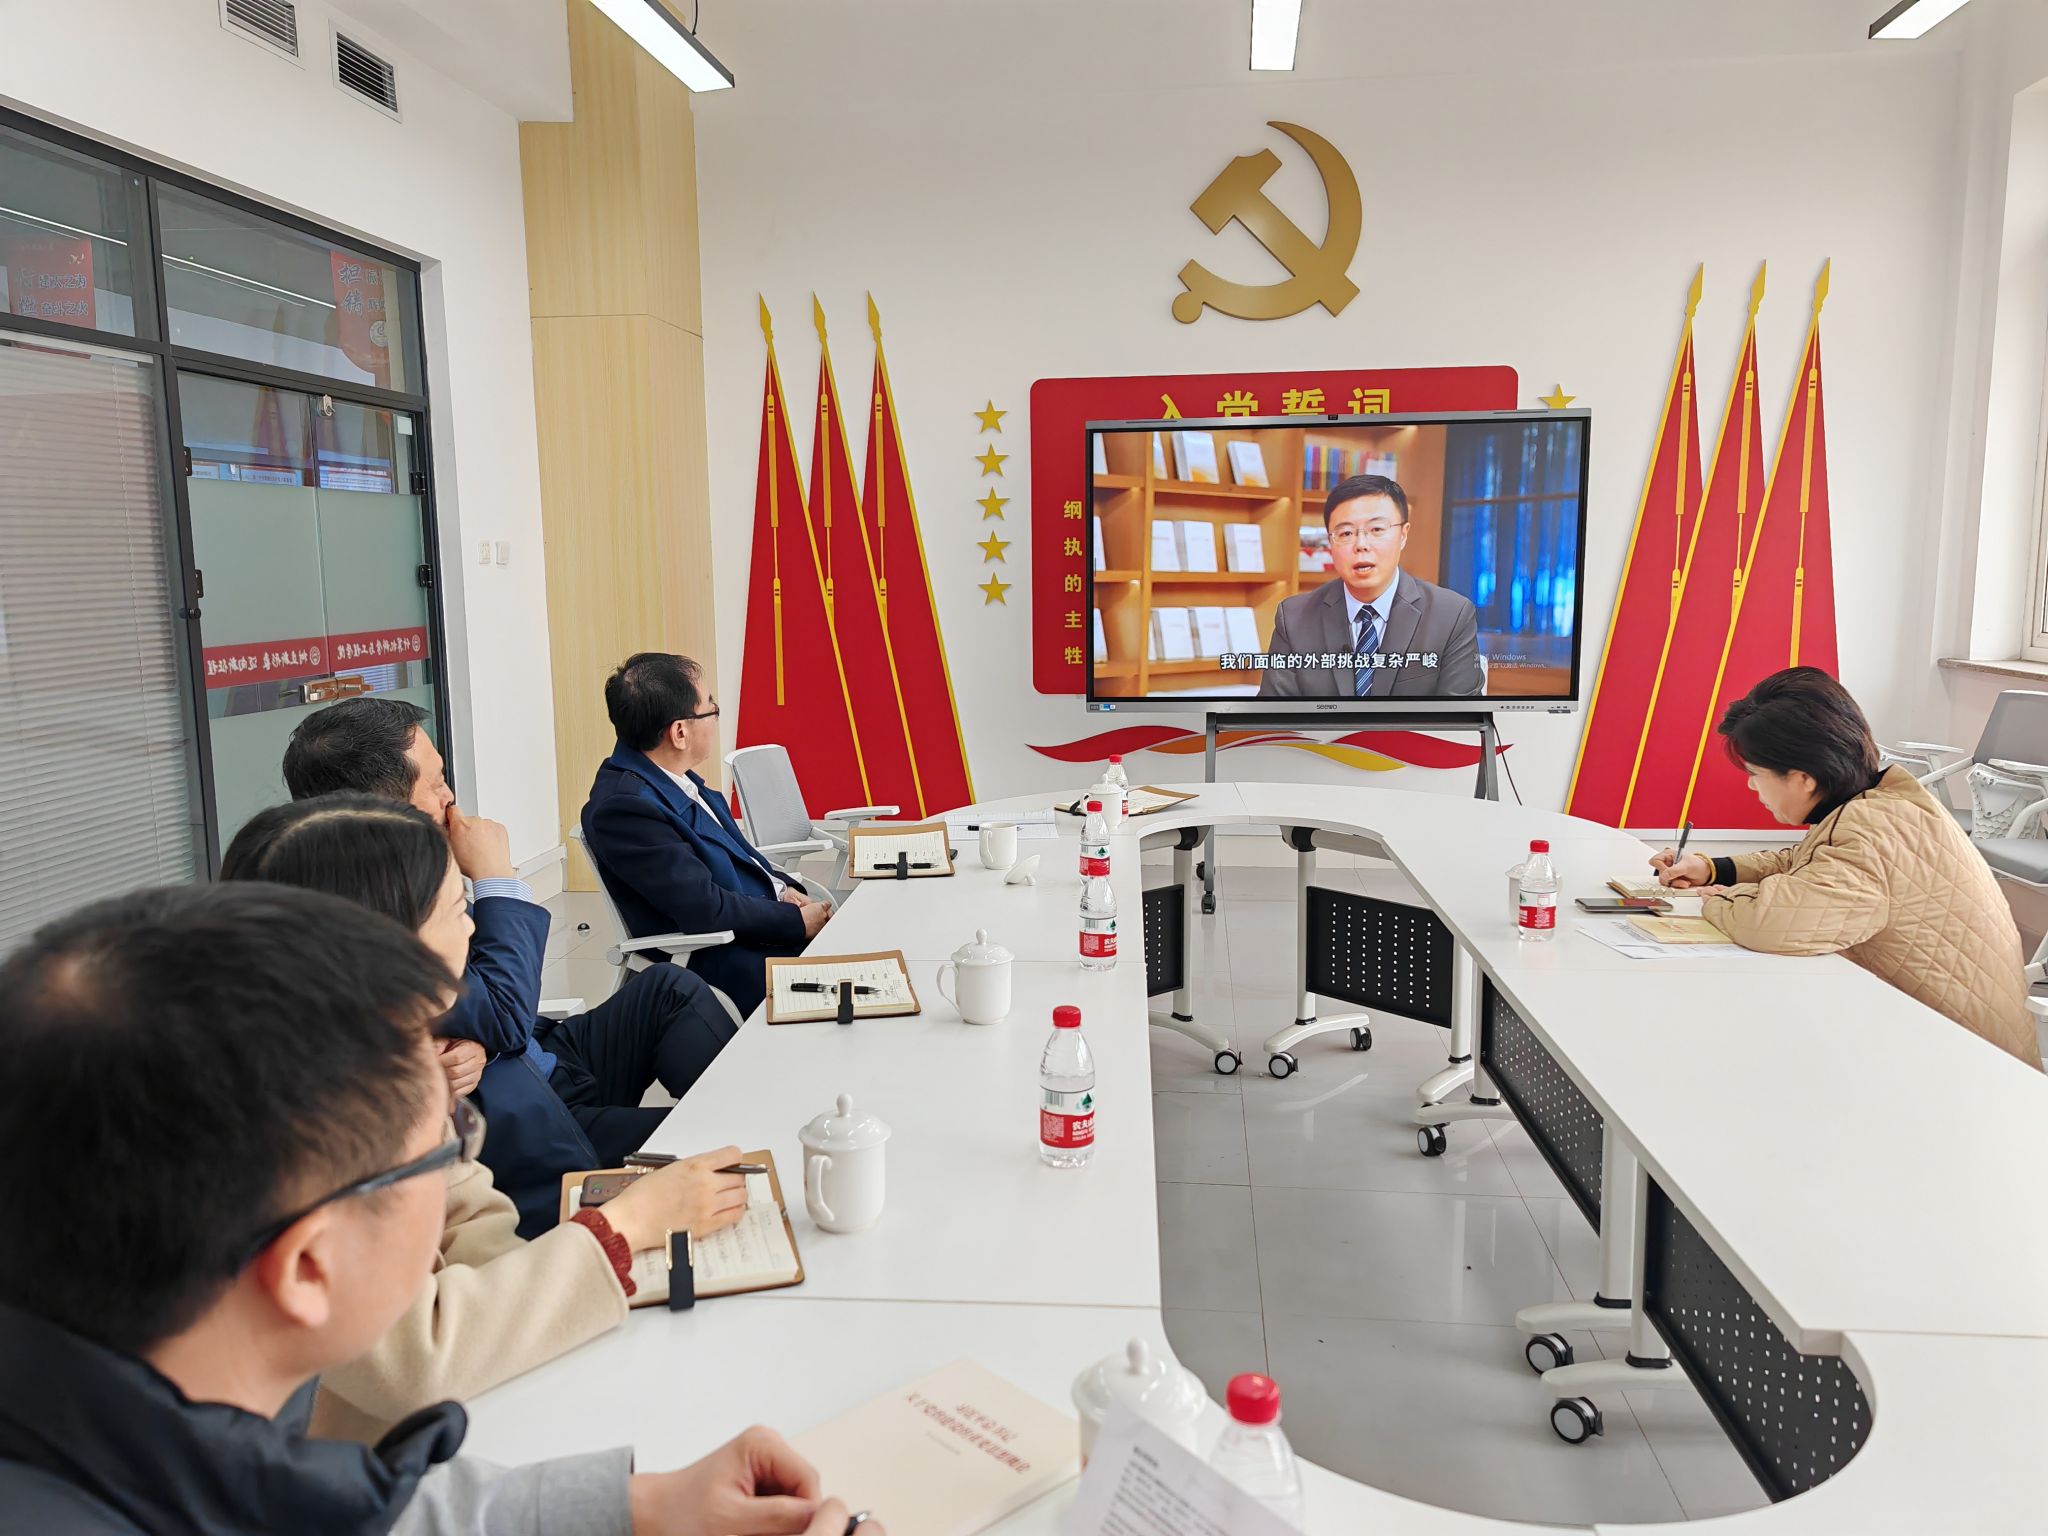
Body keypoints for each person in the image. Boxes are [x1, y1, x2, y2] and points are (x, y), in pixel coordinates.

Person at [0, 882, 879, 1536]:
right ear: (310, 1267)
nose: (466, 1161)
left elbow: (351, 1509)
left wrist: (640, 1506)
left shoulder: (142, 1412)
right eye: (454, 1139)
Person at [221, 792, 753, 1442]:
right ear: (386, 949)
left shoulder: (399, 1061)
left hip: (478, 1403)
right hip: (403, 1463)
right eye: (458, 910)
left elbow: (477, 1223)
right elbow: (413, 1362)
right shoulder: (293, 1136)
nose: (474, 931)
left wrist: (561, 1277)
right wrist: (625, 1225)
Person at [283, 698, 737, 1235]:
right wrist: (496, 880)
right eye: (436, 782)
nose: (450, 796)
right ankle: (745, 1129)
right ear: (385, 806)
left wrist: (482, 1042)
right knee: (707, 1145)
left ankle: (752, 1099)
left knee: (668, 987)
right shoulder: (367, 920)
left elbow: (487, 1014)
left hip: (537, 1060)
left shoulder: (397, 873)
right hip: (530, 1119)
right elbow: (500, 1015)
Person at [1652, 667, 2042, 1068]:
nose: (1752, 786)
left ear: (1803, 778)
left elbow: (1773, 922)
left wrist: (1717, 897)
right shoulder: (1879, 804)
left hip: (1971, 1066)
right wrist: (1713, 868)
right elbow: (1806, 863)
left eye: (1755, 775)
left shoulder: (1873, 827)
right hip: (1938, 1039)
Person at [581, 653, 832, 1017]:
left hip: (757, 928)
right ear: (680, 732)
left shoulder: (673, 777)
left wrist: (784, 891)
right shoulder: (626, 807)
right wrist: (793, 922)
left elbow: (740, 858)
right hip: (728, 956)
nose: (716, 715)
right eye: (710, 708)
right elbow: (706, 909)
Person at [1256, 473, 1484, 699]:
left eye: (1376, 530)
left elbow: (1459, 716)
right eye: (1346, 533)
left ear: (1403, 535)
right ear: (1330, 542)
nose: (1361, 545)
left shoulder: (1451, 615)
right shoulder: (1294, 617)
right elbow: (1272, 714)